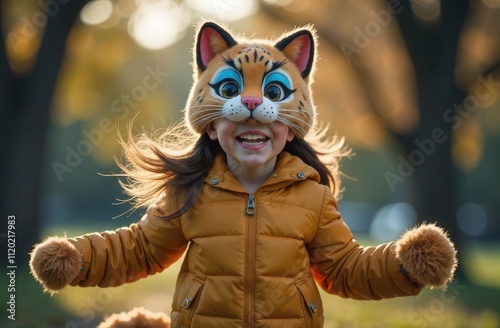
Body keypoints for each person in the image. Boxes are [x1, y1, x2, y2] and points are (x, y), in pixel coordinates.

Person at [30, 21, 457, 328]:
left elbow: (346, 269)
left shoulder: (312, 198)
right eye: (233, 91)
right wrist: (78, 259)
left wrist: (405, 265)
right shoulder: (191, 192)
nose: (252, 104)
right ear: (212, 126)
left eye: (272, 93)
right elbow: (138, 249)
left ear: (289, 128)